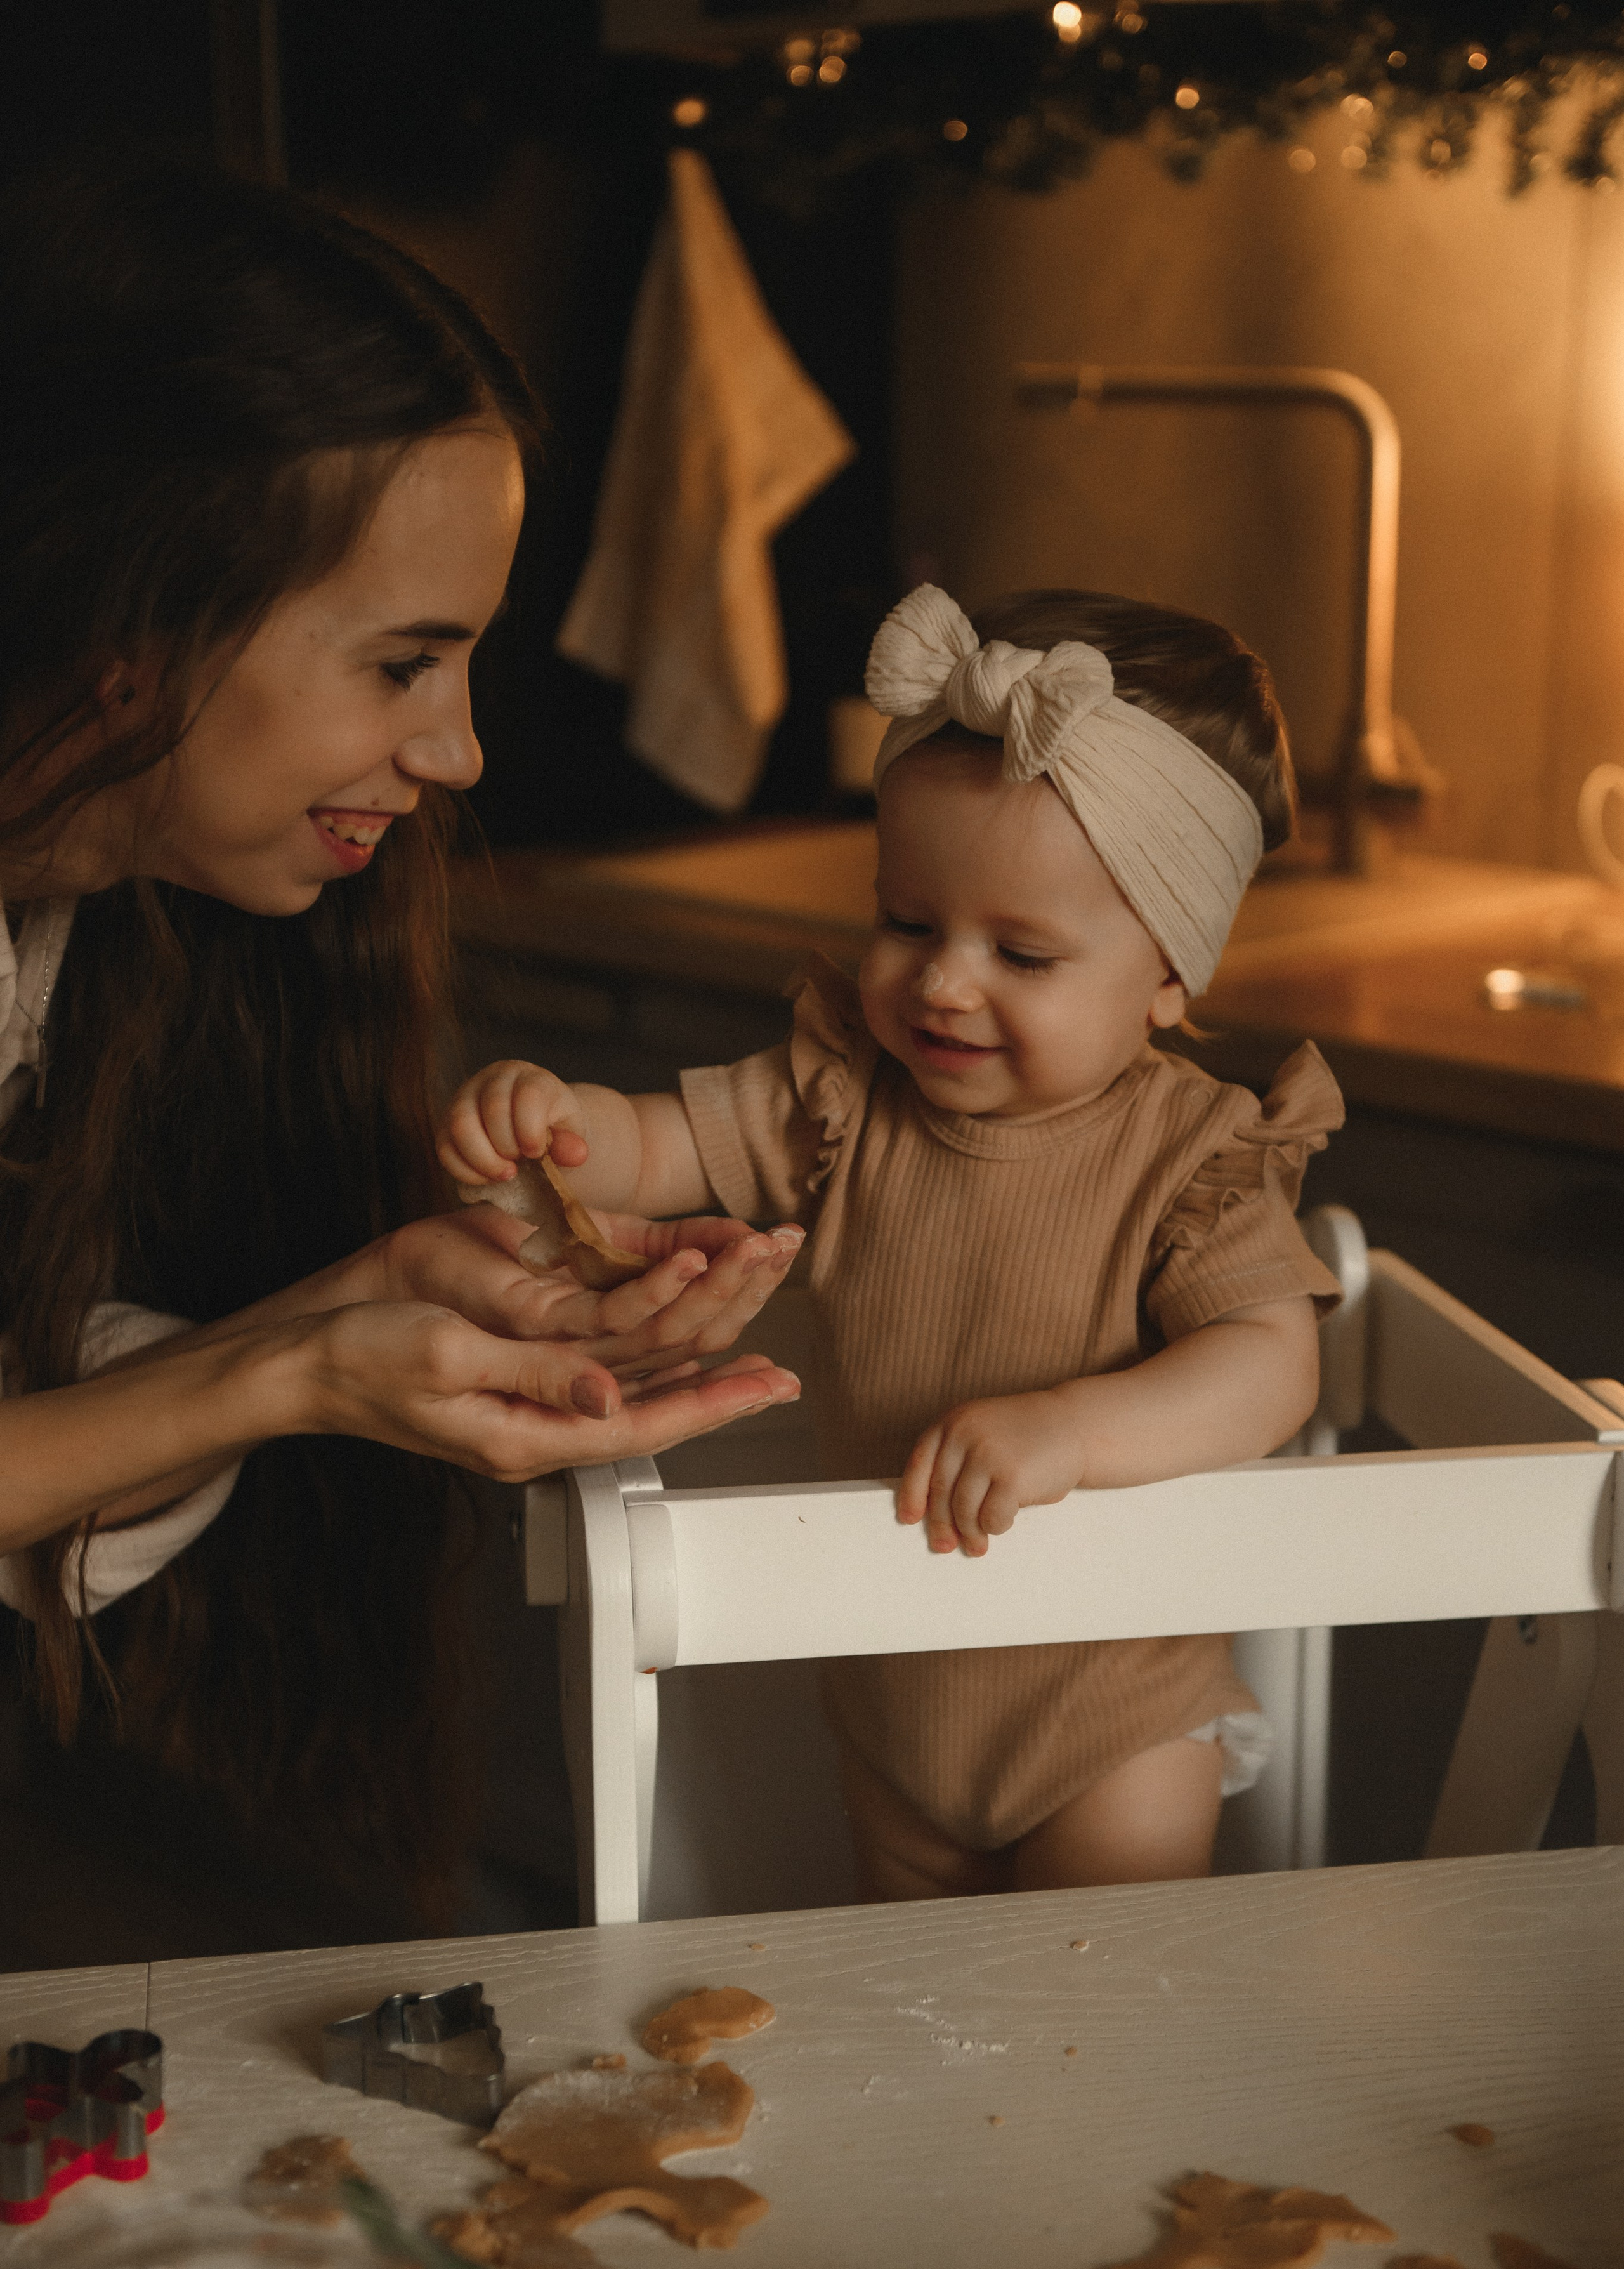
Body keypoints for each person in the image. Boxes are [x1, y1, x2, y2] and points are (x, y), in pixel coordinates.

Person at [0, 162, 799, 1940]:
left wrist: (378, 1298)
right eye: (403, 663)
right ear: (139, 619)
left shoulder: (78, 931)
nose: (455, 752)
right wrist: (297, 1378)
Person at [441, 584, 1346, 1904]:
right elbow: (665, 1143)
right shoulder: (848, 1091)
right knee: (923, 2020)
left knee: (1094, 2023)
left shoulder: (1187, 1155)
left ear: (1166, 977)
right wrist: (556, 1118)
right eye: (909, 923)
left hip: (1113, 1710)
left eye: (1021, 953)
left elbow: (1271, 1362)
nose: (940, 982)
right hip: (891, 1691)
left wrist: (1070, 1432)